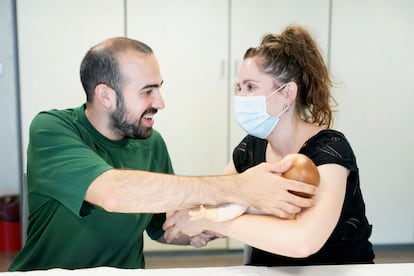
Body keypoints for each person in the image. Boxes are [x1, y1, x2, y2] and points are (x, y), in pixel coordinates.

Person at [8, 37, 318, 271]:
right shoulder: (51, 129)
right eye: (147, 91)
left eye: (159, 88)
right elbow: (112, 193)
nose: (160, 101)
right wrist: (240, 188)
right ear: (105, 95)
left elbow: (163, 228)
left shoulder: (150, 142)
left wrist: (201, 227)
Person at [163, 25, 375, 266]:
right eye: (239, 87)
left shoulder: (330, 150)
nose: (241, 96)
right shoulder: (250, 149)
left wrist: (210, 221)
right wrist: (198, 221)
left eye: (251, 87)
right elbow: (215, 201)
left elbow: (303, 241)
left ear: (288, 93)